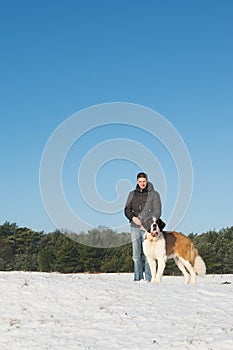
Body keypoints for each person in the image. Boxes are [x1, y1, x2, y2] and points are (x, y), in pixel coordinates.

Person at [124, 172, 162, 281]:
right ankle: (137, 279)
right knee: (136, 255)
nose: (142, 183)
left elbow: (157, 211)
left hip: (148, 229)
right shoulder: (132, 194)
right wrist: (133, 218)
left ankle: (149, 279)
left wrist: (146, 223)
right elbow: (127, 209)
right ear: (137, 182)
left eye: (144, 181)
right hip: (134, 227)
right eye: (140, 182)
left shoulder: (154, 194)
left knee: (149, 255)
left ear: (147, 180)